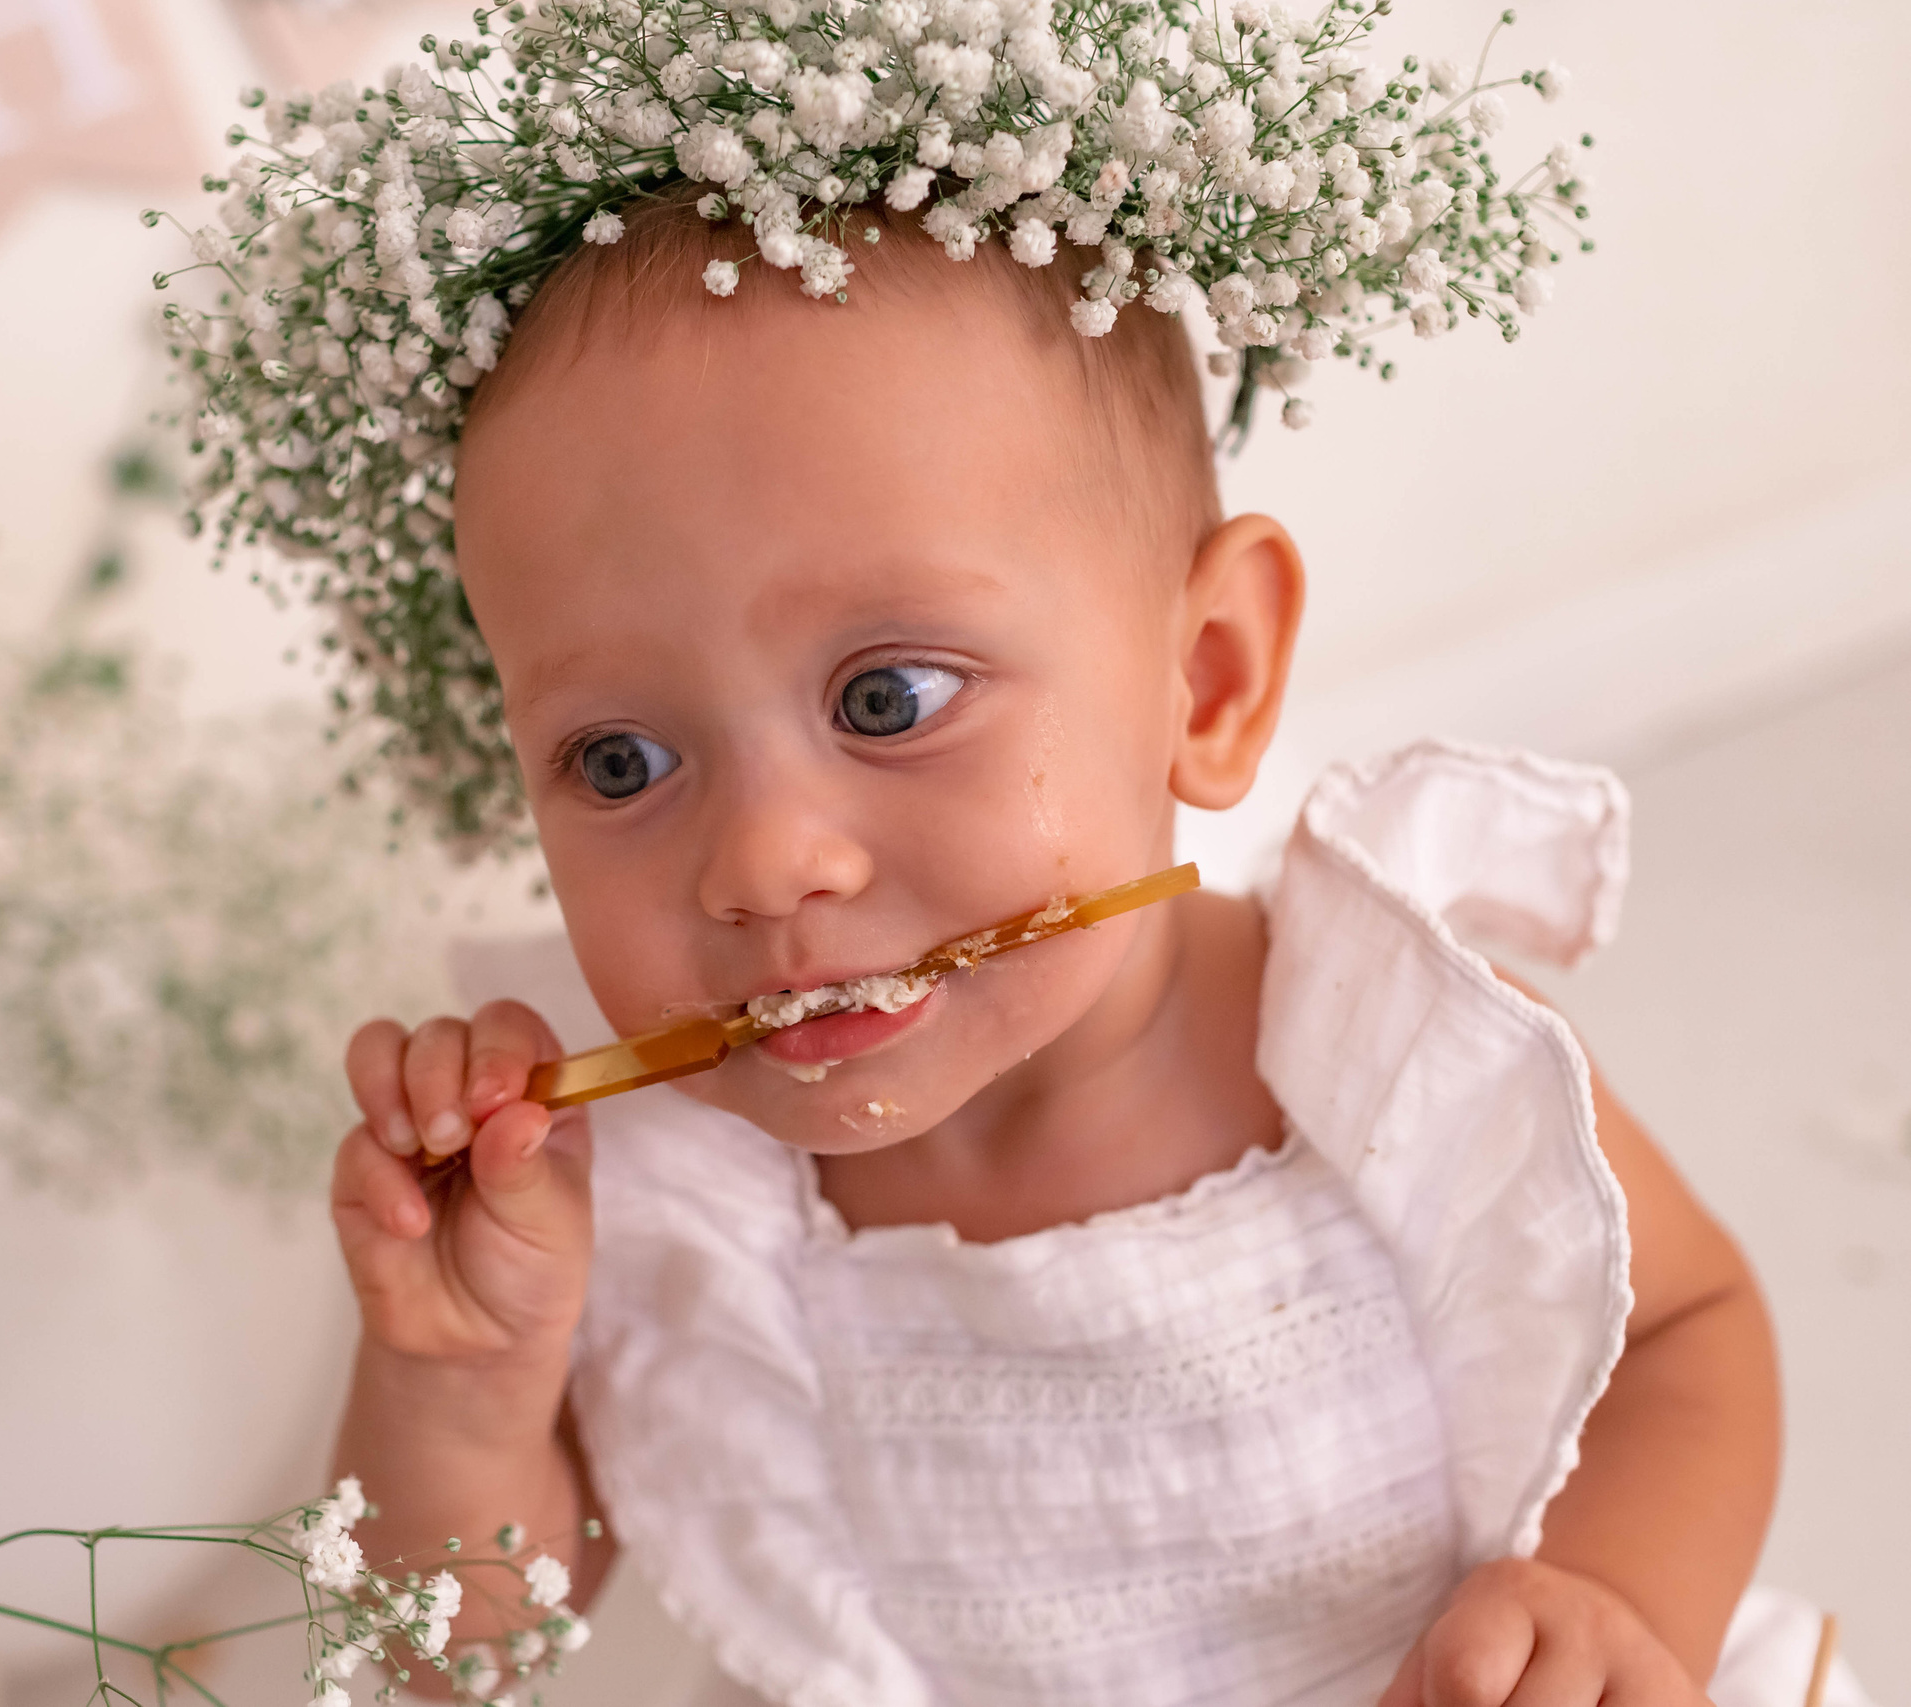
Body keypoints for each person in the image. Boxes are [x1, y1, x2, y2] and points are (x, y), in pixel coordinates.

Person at [163, 6, 1870, 1702]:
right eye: (621, 760)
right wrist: (461, 1378)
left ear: (1209, 680)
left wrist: (1609, 1608)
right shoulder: (665, 1188)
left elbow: (1684, 1333)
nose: (764, 862)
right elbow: (447, 1657)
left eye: (889, 698)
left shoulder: (1388, 1047)